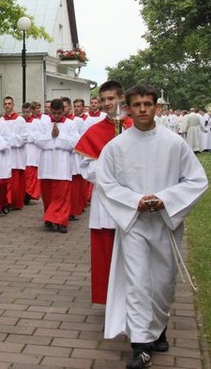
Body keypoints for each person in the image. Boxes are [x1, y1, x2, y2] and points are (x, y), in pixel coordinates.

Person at [96, 84, 208, 369]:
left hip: (165, 224)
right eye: (137, 105)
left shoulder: (174, 143)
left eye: (148, 104)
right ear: (129, 108)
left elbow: (196, 180)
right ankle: (140, 345)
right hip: (133, 224)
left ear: (156, 107)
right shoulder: (116, 146)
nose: (143, 109)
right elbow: (106, 183)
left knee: (162, 282)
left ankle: (158, 329)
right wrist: (134, 201)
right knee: (137, 281)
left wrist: (164, 199)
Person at [74, 80, 132, 305]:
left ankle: (132, 299)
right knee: (105, 251)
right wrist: (109, 169)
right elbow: (86, 168)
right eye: (103, 99)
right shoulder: (95, 131)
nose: (107, 104)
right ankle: (110, 300)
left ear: (122, 98)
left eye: (111, 99)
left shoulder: (135, 127)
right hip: (105, 200)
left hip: (131, 199)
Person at [34, 98, 80, 233]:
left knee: (62, 196)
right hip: (46, 164)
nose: (56, 116)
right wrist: (50, 135)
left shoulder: (71, 124)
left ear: (63, 111)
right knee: (48, 195)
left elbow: (75, 144)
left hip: (62, 165)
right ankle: (50, 218)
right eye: (53, 113)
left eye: (59, 113)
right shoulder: (43, 123)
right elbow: (37, 141)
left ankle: (61, 221)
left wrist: (59, 136)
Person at [0, 96, 29, 210]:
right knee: (6, 181)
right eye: (5, 104)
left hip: (16, 155)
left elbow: (24, 137)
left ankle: (16, 202)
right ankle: (6, 202)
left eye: (9, 103)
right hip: (5, 154)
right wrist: (6, 141)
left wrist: (9, 140)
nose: (7, 105)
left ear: (13, 105)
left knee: (16, 182)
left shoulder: (20, 120)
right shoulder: (1, 121)